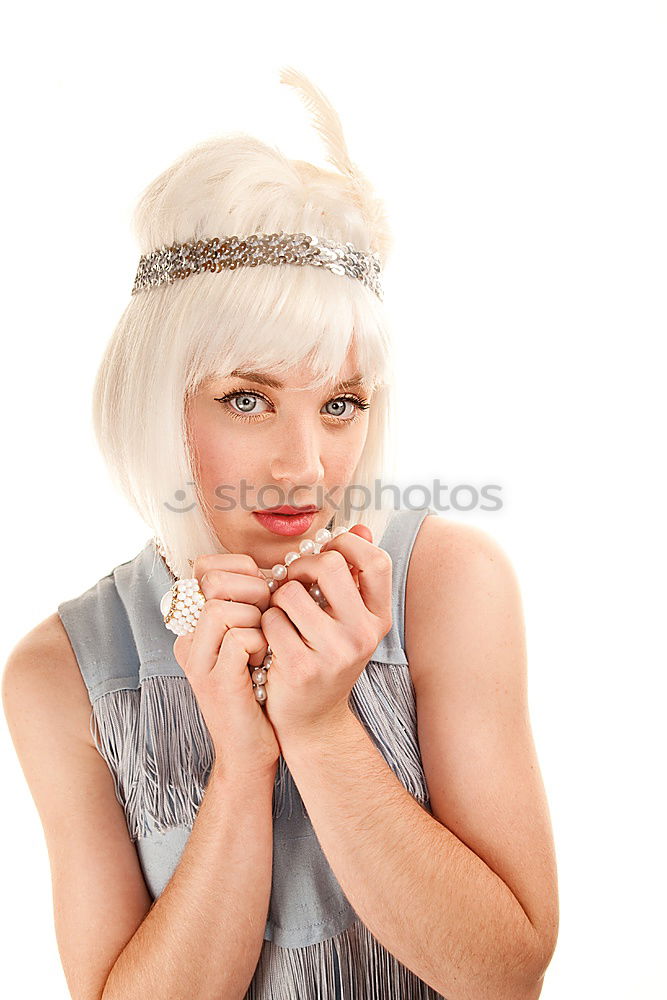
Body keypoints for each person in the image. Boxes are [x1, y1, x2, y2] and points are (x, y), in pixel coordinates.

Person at [2, 67, 559, 1000]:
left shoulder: (448, 584)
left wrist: (318, 725)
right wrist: (243, 761)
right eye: (247, 399)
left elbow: (503, 976)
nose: (305, 465)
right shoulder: (61, 671)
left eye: (340, 403)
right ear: (154, 399)